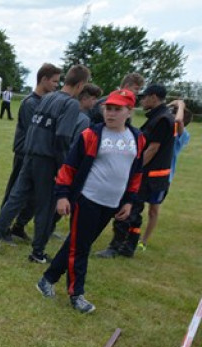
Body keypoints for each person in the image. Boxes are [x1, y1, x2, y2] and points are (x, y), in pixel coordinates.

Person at [35, 89, 144, 314]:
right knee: (80, 248)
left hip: (111, 203)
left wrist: (128, 201)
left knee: (77, 244)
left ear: (129, 111)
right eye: (108, 108)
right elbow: (69, 166)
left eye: (117, 109)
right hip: (87, 200)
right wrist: (63, 195)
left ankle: (47, 278)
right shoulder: (92, 135)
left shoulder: (137, 138)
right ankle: (77, 294)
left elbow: (135, 173)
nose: (111, 113)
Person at [0, 64, 91, 262]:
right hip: (48, 160)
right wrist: (63, 167)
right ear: (82, 84)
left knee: (15, 199)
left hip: (30, 155)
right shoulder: (71, 104)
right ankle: (38, 252)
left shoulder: (48, 97)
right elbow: (62, 136)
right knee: (46, 206)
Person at [96, 83, 176, 258]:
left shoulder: (162, 119)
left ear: (154, 97)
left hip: (150, 174)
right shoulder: (160, 116)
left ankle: (117, 246)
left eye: (145, 97)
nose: (143, 100)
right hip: (152, 174)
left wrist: (133, 169)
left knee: (129, 207)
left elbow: (153, 148)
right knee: (135, 210)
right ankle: (129, 245)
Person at [0, 63, 62, 244]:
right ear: (44, 80)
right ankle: (3, 229)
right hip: (25, 153)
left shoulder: (45, 102)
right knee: (15, 193)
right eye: (55, 81)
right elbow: (33, 132)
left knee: (34, 196)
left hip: (38, 156)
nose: (57, 85)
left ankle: (19, 226)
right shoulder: (30, 103)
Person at [142, 101, 192, 249]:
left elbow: (177, 121)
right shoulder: (162, 129)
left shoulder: (182, 135)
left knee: (153, 209)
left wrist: (181, 104)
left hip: (163, 178)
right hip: (148, 174)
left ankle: (143, 241)